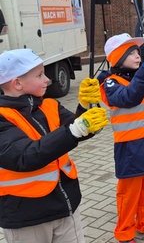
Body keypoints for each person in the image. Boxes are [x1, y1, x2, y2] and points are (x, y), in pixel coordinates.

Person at [0, 49, 108, 243]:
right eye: (39, 75)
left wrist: (87, 106)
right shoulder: (3, 117)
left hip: (65, 207)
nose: (47, 79)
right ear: (17, 83)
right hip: (26, 217)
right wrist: (76, 128)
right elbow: (25, 156)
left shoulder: (49, 105)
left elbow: (80, 129)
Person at [98, 33, 144, 242]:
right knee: (129, 193)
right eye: (131, 53)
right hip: (129, 146)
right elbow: (128, 98)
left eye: (138, 52)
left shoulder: (141, 76)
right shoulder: (110, 83)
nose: (138, 56)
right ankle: (125, 230)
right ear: (118, 58)